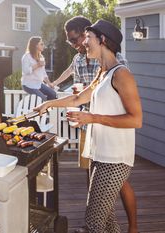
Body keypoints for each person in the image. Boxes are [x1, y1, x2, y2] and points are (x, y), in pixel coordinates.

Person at [35, 20, 142, 233]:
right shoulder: (103, 73)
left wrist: (91, 117)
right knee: (108, 222)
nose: (84, 43)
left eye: (88, 38)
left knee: (93, 224)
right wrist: (49, 104)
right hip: (99, 154)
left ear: (102, 40)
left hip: (115, 159)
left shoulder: (122, 74)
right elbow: (78, 99)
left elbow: (135, 119)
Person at [21, 36, 56, 101]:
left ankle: (47, 110)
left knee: (53, 94)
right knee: (42, 98)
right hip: (28, 85)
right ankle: (40, 109)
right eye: (41, 44)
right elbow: (26, 71)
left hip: (38, 84)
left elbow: (43, 73)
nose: (44, 46)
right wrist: (38, 65)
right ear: (36, 45)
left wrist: (49, 83)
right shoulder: (26, 57)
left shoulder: (41, 57)